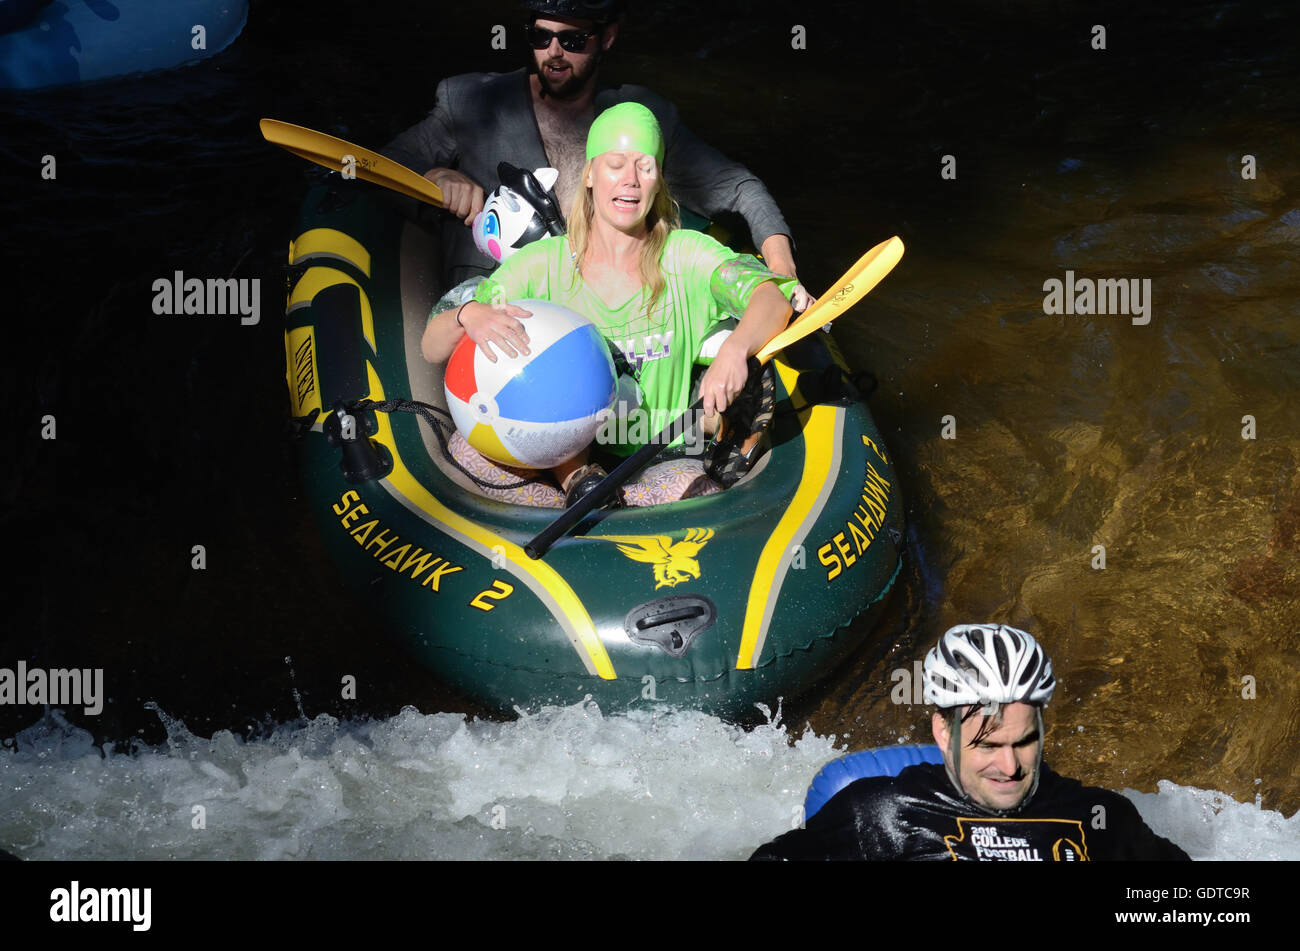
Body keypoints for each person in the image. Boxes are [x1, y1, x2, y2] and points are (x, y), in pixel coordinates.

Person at [421, 102, 796, 508]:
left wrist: (736, 350)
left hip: (658, 454)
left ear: (659, 181)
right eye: (616, 164)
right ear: (589, 175)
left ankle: (607, 503)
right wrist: (468, 314)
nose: (631, 180)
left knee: (692, 492)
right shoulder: (540, 265)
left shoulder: (688, 255)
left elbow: (772, 299)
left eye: (645, 166)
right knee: (465, 453)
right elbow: (432, 346)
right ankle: (576, 492)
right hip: (559, 454)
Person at [384, 0, 812, 309]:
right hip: (496, 313)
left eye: (572, 39)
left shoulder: (643, 122)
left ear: (606, 37)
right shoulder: (470, 101)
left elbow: (741, 188)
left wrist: (780, 271)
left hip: (615, 318)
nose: (553, 52)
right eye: (541, 36)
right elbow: (384, 163)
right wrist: (435, 174)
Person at [750, 624, 1191, 861]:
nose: (1011, 766)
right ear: (943, 732)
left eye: (1024, 742)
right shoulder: (882, 815)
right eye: (987, 745)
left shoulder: (1102, 819)